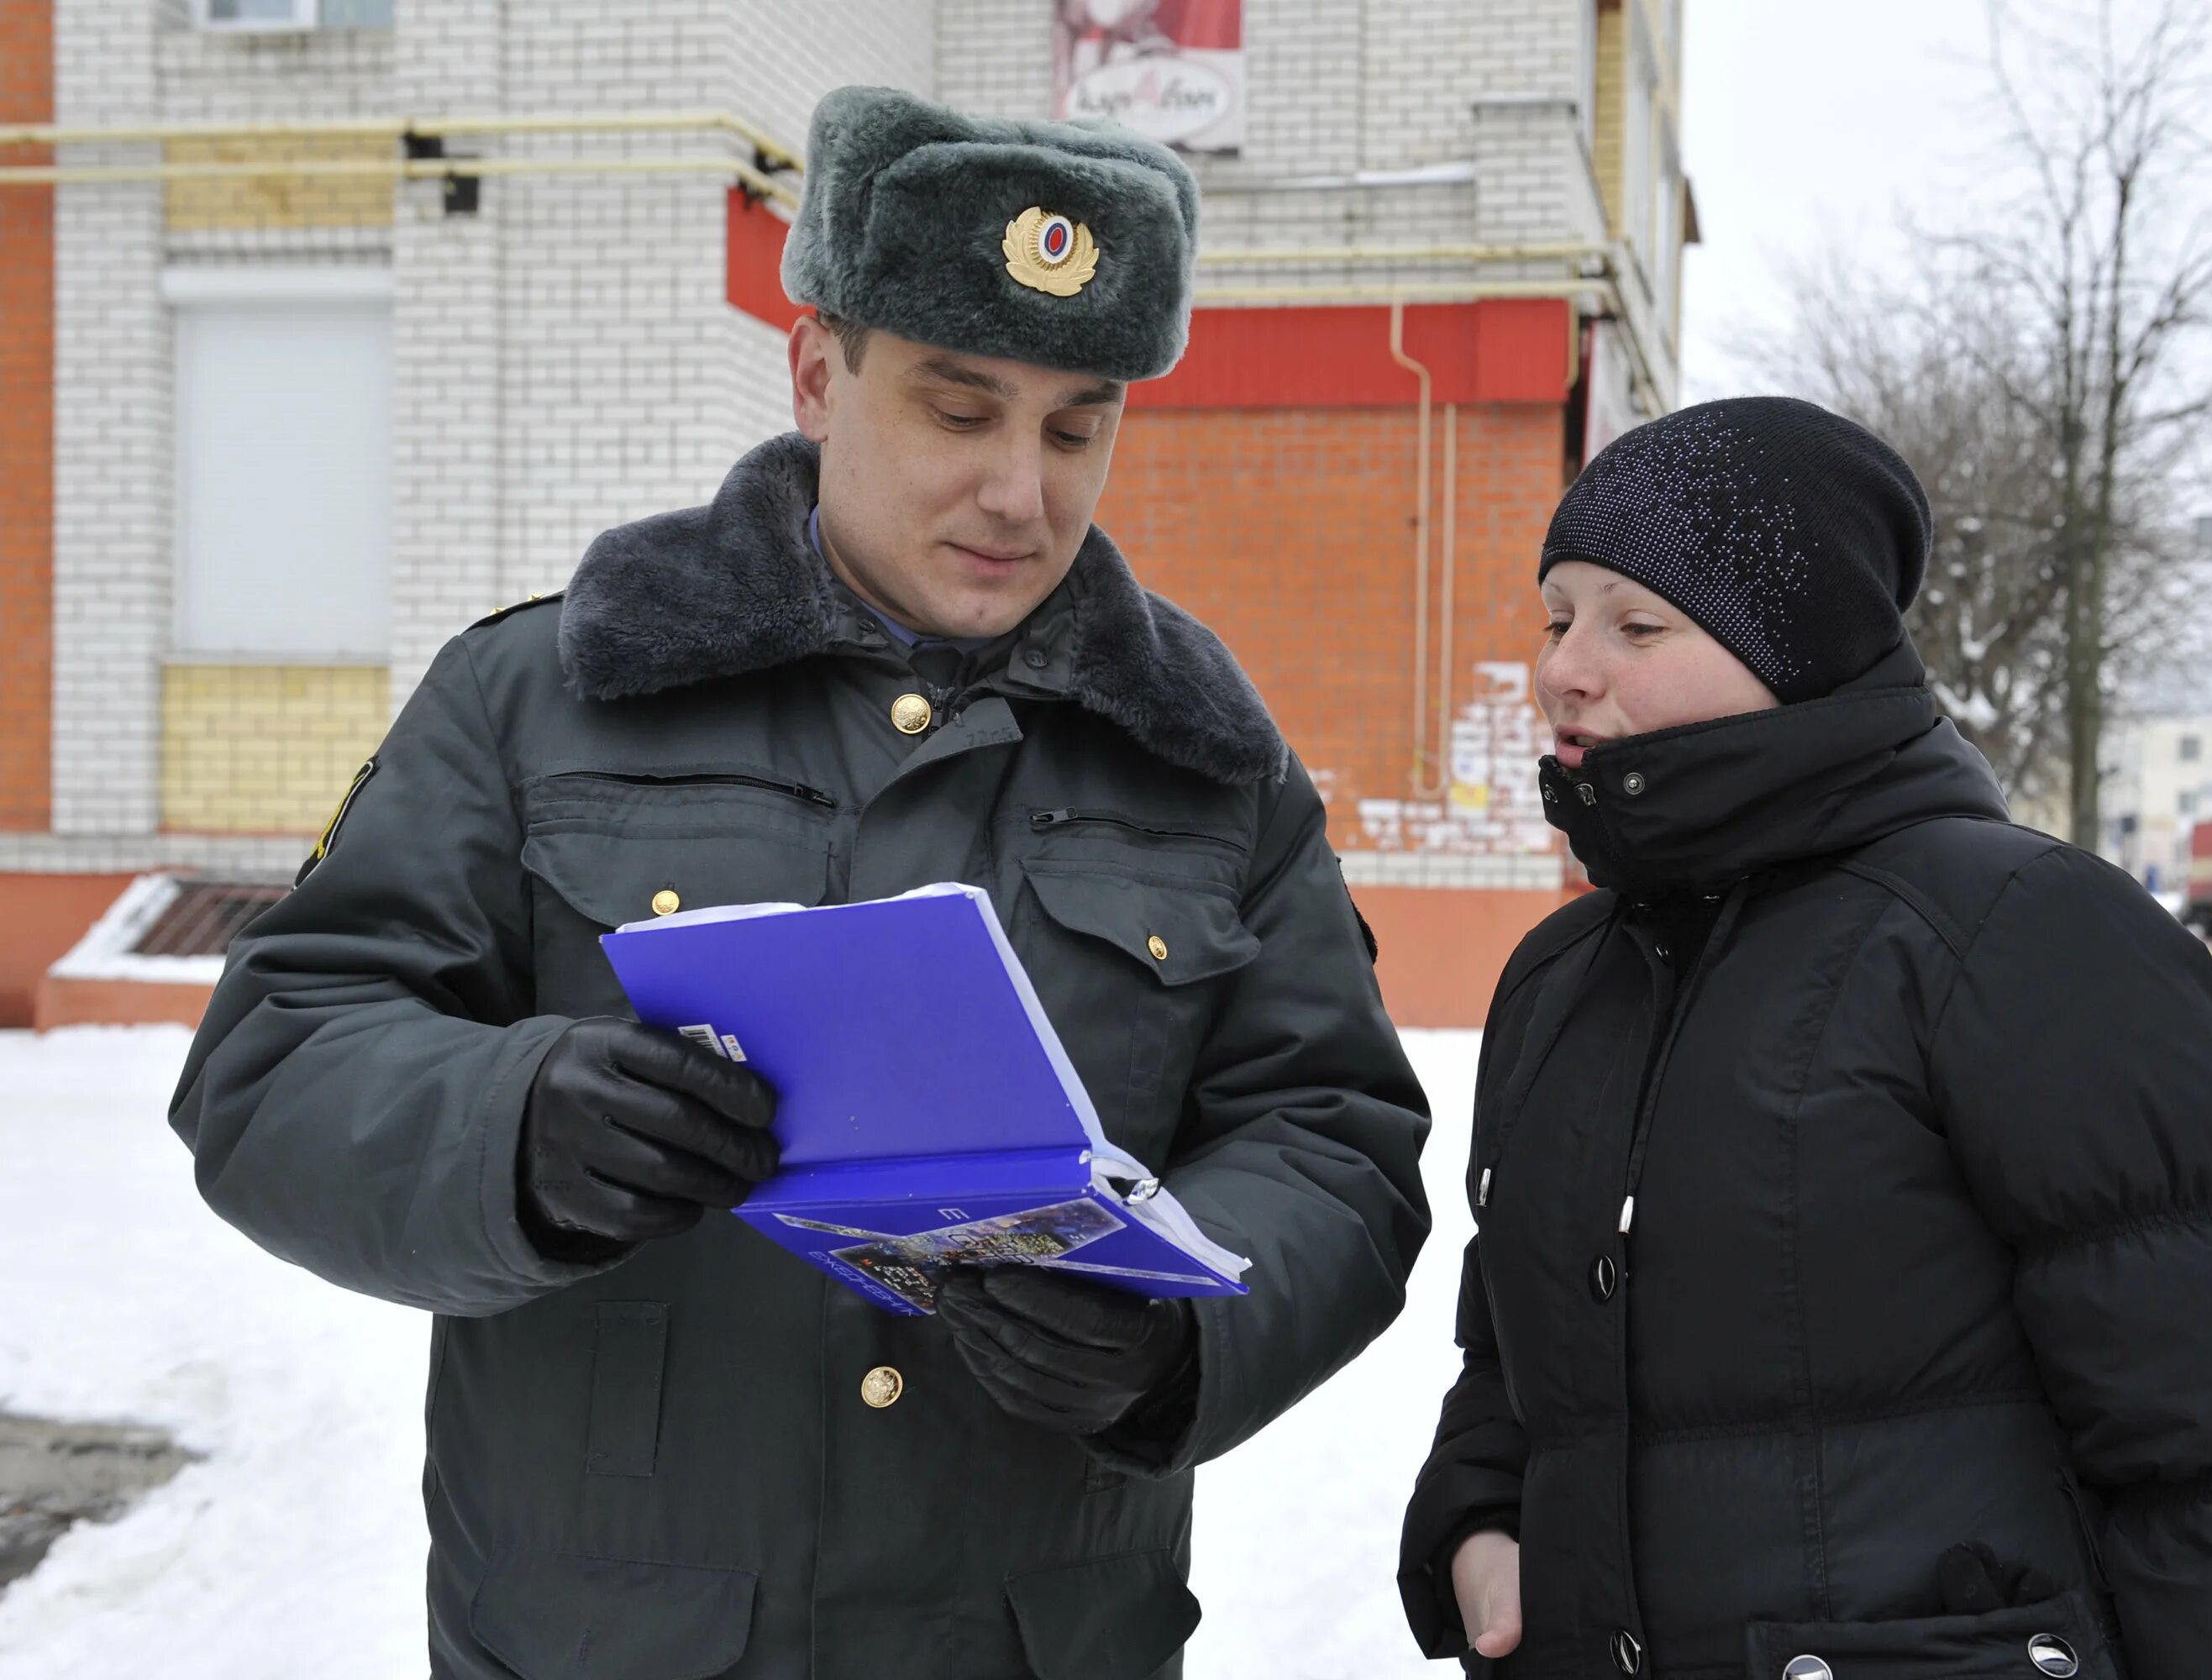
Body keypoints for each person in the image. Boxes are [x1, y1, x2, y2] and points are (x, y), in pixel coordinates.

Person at [172, 86, 1432, 1679]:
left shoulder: (1206, 762)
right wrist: (520, 1125)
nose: (1020, 493)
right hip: (602, 1640)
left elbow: (1334, 1142)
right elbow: (275, 1060)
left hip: (1030, 1637)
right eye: (958, 410)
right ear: (819, 373)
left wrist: (1180, 1331)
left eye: (1074, 425)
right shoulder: (545, 692)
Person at [1397, 397, 2212, 1680]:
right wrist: (1476, 1519)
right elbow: (1511, 1353)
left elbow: (2199, 1464)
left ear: (1798, 659)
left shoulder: (2016, 931)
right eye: (1558, 613)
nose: (1567, 666)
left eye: (1637, 625)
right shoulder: (1564, 973)